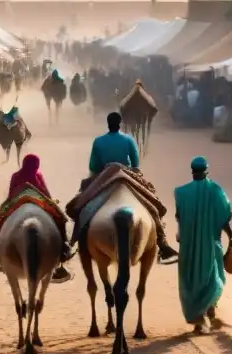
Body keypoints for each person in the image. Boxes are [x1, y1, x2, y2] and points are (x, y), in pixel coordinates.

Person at [70, 111, 179, 263]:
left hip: (104, 176)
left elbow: (93, 166)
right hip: (127, 174)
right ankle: (163, 242)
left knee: (81, 204)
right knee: (152, 202)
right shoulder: (128, 140)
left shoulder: (98, 141)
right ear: (120, 124)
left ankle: (74, 241)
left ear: (108, 124)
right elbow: (135, 164)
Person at [0, 154, 75, 282]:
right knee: (60, 220)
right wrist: (51, 203)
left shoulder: (16, 176)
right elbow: (45, 193)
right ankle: (63, 254)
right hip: (39, 201)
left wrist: (8, 204)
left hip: (17, 201)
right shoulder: (38, 175)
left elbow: (11, 193)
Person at [174, 156, 232, 334]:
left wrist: (181, 234)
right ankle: (210, 308)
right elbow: (224, 217)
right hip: (211, 242)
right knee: (213, 276)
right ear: (206, 171)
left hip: (188, 244)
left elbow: (179, 216)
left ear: (192, 171)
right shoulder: (216, 190)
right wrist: (231, 236)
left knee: (190, 279)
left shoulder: (181, 192)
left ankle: (198, 318)